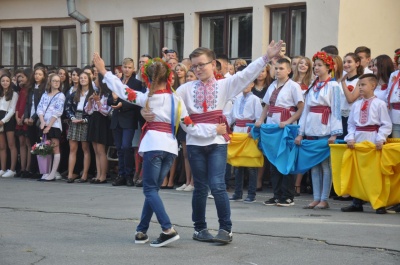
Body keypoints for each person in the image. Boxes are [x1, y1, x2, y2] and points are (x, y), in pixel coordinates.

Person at [156, 41, 283, 244]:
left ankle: (226, 228)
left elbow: (246, 74)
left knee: (217, 185)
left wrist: (266, 57)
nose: (198, 69)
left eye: (202, 64)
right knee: (199, 187)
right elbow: (171, 108)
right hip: (196, 142)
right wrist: (147, 109)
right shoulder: (185, 89)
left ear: (213, 64)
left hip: (217, 143)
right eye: (194, 66)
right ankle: (199, 228)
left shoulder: (225, 85)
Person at [94, 53, 205, 247]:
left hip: (154, 146)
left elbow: (122, 90)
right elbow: (188, 124)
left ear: (150, 78)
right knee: (152, 189)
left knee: (149, 189)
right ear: (167, 76)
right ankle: (141, 230)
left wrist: (104, 71)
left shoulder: (147, 98)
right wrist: (214, 132)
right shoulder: (176, 99)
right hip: (170, 148)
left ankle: (167, 228)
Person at [295, 51, 342, 210]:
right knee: (313, 164)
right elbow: (306, 110)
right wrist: (301, 132)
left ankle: (324, 198)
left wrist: (334, 133)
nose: (316, 68)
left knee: (324, 165)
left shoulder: (334, 85)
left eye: (319, 65)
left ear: (329, 67)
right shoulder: (313, 85)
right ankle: (316, 198)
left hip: (325, 128)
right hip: (311, 128)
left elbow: (336, 109)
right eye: (314, 65)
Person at [255, 58, 304, 207]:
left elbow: (301, 108)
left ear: (289, 70)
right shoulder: (272, 86)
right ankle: (276, 195)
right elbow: (267, 106)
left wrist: (289, 121)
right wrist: (261, 120)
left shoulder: (294, 86)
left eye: (281, 68)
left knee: (286, 160)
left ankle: (288, 195)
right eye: (276, 68)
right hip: (272, 127)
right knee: (273, 161)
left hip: (286, 127)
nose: (278, 71)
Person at [341, 74, 392, 214]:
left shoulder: (380, 104)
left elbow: (386, 124)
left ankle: (379, 203)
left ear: (373, 86)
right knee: (357, 172)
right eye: (359, 85)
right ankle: (357, 202)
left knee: (374, 173)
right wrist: (350, 137)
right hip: (358, 140)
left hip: (373, 140)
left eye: (363, 85)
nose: (360, 88)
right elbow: (351, 124)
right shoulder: (356, 104)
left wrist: (380, 138)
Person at [108, 58, 143, 186]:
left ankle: (128, 174)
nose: (127, 69)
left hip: (128, 119)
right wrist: (114, 99)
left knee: (126, 147)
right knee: (119, 148)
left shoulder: (137, 83)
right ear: (121, 68)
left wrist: (122, 104)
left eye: (129, 67)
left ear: (133, 69)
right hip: (116, 120)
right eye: (125, 67)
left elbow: (138, 102)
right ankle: (121, 174)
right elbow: (109, 100)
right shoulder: (117, 82)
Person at [227, 79, 262, 203]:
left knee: (251, 164)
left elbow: (259, 117)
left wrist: (254, 131)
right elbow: (231, 116)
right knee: (237, 164)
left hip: (249, 132)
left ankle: (251, 194)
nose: (245, 86)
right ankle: (238, 193)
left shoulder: (255, 100)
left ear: (252, 84)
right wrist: (226, 127)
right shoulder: (237, 99)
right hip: (237, 131)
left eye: (248, 83)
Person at [65, 72, 93, 183]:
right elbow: (67, 108)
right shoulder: (73, 94)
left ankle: (84, 174)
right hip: (74, 119)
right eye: (81, 78)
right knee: (72, 148)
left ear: (89, 80)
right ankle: (70, 174)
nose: (82, 79)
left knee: (85, 149)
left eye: (85, 78)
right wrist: (72, 118)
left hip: (85, 120)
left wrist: (84, 120)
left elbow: (94, 111)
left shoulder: (92, 93)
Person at [36, 74, 65, 181]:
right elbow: (40, 108)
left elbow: (58, 111)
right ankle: (45, 171)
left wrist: (49, 125)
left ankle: (53, 173)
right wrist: (42, 121)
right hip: (44, 123)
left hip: (54, 125)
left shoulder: (60, 95)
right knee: (45, 147)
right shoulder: (45, 94)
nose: (56, 83)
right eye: (54, 81)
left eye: (58, 81)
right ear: (50, 82)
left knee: (55, 147)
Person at [85, 73, 112, 184]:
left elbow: (106, 111)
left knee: (101, 150)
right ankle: (98, 174)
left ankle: (103, 175)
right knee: (95, 150)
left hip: (102, 121)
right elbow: (88, 110)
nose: (94, 81)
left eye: (96, 79)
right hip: (94, 119)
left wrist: (98, 101)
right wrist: (91, 101)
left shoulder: (106, 94)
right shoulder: (96, 92)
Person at [339, 53, 364, 138]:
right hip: (340, 117)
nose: (346, 64)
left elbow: (351, 99)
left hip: (353, 117)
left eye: (349, 62)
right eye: (344, 62)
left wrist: (343, 83)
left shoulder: (360, 80)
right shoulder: (341, 80)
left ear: (357, 64)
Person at [15, 69, 32, 178]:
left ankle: (27, 168)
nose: (21, 79)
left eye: (23, 77)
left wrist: (22, 117)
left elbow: (28, 105)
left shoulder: (30, 90)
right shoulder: (21, 89)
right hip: (19, 118)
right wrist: (17, 116)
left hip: (25, 118)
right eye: (20, 77)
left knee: (28, 144)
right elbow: (18, 104)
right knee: (21, 143)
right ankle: (22, 167)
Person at [0, 75, 19, 178]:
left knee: (11, 145)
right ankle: (2, 169)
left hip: (8, 119)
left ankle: (12, 169)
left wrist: (3, 120)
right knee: (2, 146)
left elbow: (12, 109)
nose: (5, 82)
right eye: (3, 81)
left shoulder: (14, 93)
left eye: (7, 81)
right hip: (0, 116)